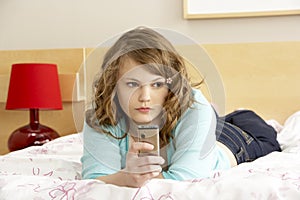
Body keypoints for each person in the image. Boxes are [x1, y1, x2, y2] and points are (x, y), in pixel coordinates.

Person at [81, 26, 281, 188]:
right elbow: (94, 181)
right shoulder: (101, 115)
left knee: (262, 133)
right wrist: (125, 177)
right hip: (192, 128)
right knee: (203, 121)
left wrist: (125, 179)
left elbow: (186, 178)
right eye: (132, 84)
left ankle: (215, 116)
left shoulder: (192, 106)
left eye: (157, 84)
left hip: (235, 140)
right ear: (113, 85)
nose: (144, 97)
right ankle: (210, 119)